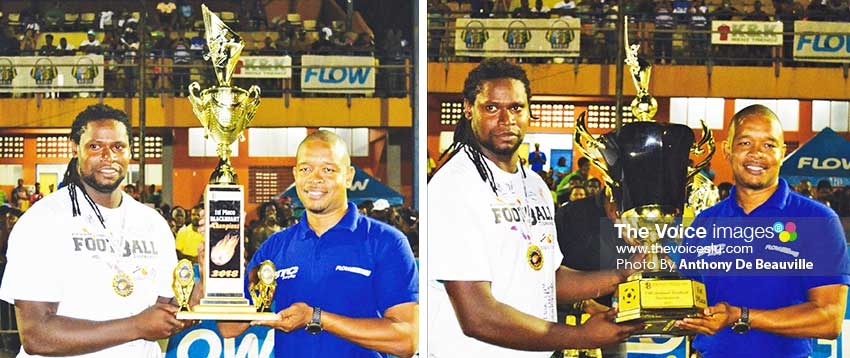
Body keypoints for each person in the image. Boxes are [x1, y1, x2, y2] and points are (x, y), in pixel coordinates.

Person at [428, 58, 640, 358]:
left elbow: (546, 277)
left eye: (516, 108)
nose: (506, 119)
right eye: (491, 108)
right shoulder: (454, 185)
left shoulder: (536, 186)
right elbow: (476, 316)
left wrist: (622, 273)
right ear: (468, 109)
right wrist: (580, 336)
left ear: (529, 112)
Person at [0, 104, 194, 357]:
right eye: (95, 146)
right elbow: (37, 335)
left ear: (129, 151)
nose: (108, 156)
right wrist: (136, 326)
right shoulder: (43, 220)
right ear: (75, 148)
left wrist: (202, 291)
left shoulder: (153, 223)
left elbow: (165, 307)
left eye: (118, 147)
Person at [217, 130, 419, 358]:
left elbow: (406, 339)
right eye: (305, 169)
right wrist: (214, 268)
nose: (315, 178)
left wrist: (315, 317)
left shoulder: (386, 242)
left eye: (328, 169)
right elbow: (230, 327)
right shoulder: (275, 247)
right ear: (295, 175)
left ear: (349, 176)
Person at [675, 104, 850, 358]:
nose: (757, 154)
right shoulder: (705, 223)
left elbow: (829, 319)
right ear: (727, 150)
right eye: (745, 143)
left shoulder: (817, 220)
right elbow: (688, 302)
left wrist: (741, 316)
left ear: (782, 152)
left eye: (769, 145)